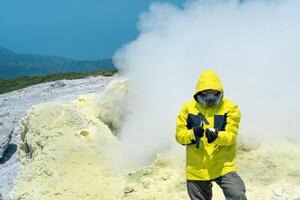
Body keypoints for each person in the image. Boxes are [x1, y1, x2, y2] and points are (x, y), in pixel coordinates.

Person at [175, 69, 247, 200]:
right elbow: (179, 136)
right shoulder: (187, 108)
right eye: (205, 91)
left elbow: (231, 136)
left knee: (237, 194)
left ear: (219, 90)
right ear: (199, 91)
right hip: (196, 168)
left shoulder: (230, 107)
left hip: (223, 165)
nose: (209, 95)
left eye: (213, 91)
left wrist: (217, 137)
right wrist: (192, 134)